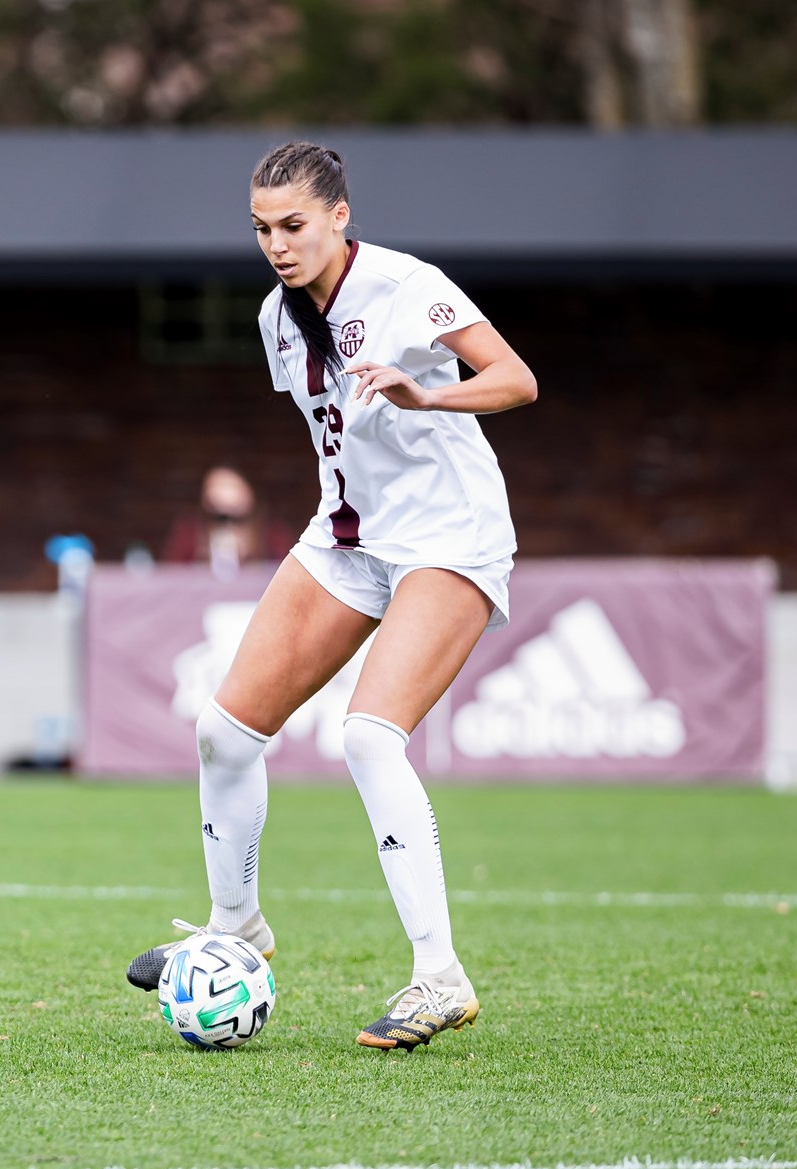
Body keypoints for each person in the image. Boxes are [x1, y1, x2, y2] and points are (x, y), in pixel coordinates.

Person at [126, 141, 539, 1052]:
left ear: (340, 217)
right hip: (349, 539)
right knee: (223, 732)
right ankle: (236, 927)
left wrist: (427, 394)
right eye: (262, 228)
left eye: (294, 225)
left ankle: (441, 978)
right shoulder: (277, 317)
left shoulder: (407, 286)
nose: (276, 244)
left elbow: (517, 380)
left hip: (448, 539)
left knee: (367, 734)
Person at [160, 466, 289, 578]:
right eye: (219, 518)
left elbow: (288, 575)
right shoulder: (189, 535)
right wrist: (202, 562)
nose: (228, 526)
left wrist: (252, 557)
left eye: (238, 519)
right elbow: (171, 574)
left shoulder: (272, 535)